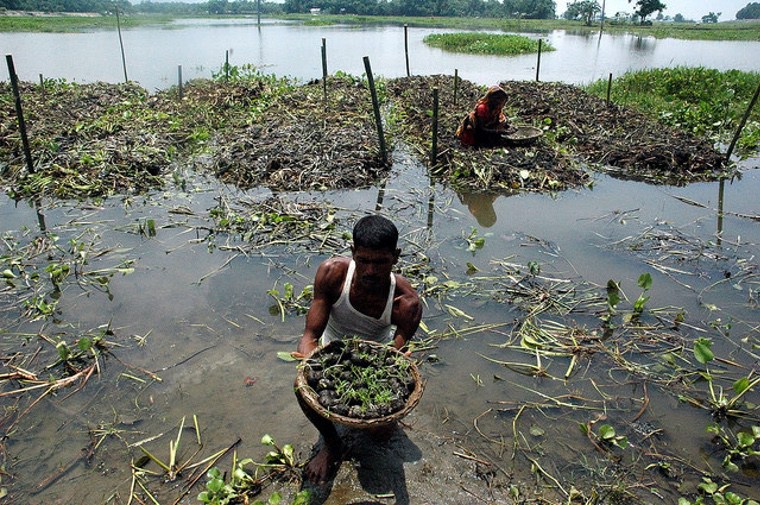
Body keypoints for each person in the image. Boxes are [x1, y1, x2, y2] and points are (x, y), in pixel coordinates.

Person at [293, 214, 422, 484]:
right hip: (331, 353)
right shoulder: (332, 274)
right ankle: (331, 444)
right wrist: (310, 361)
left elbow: (391, 355)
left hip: (371, 358)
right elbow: (310, 336)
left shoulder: (406, 303)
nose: (371, 271)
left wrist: (395, 364)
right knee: (300, 387)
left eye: (380, 262)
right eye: (363, 260)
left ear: (395, 257)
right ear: (352, 253)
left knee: (381, 432)